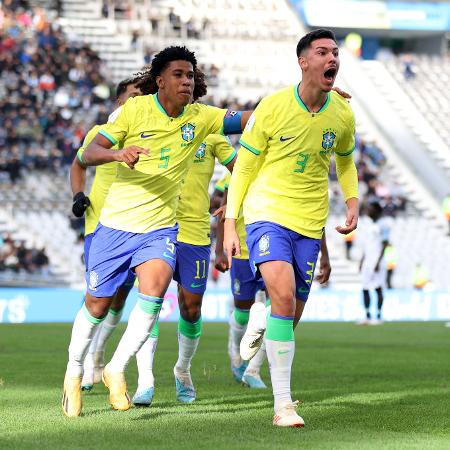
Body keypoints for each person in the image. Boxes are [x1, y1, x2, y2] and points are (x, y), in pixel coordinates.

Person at [62, 45, 251, 417]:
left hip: (161, 228)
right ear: (160, 80)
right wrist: (118, 154)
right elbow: (88, 153)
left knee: (155, 291)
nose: (187, 81)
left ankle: (117, 368)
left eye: (191, 75)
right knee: (97, 305)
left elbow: (250, 118)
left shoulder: (203, 119)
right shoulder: (133, 111)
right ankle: (73, 372)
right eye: (179, 75)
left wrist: (302, 99)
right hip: (115, 224)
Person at [224, 29, 358, 427]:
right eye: (322, 52)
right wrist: (231, 223)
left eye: (335, 52)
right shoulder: (273, 107)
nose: (332, 58)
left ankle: (263, 326)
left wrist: (351, 204)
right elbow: (245, 167)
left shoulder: (342, 114)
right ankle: (283, 406)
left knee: (291, 313)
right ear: (303, 61)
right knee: (281, 299)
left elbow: (346, 162)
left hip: (310, 220)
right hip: (267, 213)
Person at [132, 133, 237, 407]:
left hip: (195, 234)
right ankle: (145, 379)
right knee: (150, 303)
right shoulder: (158, 127)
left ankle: (183, 368)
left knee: (191, 309)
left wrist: (232, 203)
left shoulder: (212, 134)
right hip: (156, 229)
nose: (185, 89)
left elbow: (242, 169)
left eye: (190, 87)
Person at [69, 77, 143, 393]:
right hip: (98, 224)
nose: (138, 100)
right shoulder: (100, 134)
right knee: (98, 296)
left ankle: (98, 356)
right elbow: (78, 164)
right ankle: (84, 365)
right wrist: (77, 195)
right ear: (119, 102)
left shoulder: (148, 133)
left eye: (143, 95)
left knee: (120, 299)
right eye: (133, 95)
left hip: (135, 224)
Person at [214, 172, 268, 389]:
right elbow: (223, 213)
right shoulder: (236, 170)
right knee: (242, 313)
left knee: (274, 311)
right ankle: (235, 353)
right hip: (241, 252)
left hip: (268, 249)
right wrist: (220, 251)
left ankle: (254, 369)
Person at [359, 201, 390, 324]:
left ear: (377, 211)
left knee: (378, 288)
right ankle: (367, 316)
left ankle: (378, 316)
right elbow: (367, 246)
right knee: (365, 287)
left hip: (377, 262)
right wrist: (362, 260)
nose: (368, 211)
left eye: (370, 209)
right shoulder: (368, 225)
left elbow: (385, 244)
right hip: (367, 261)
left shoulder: (383, 225)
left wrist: (378, 262)